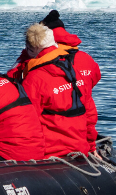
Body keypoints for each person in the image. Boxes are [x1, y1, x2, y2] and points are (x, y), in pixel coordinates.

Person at [8, 12, 102, 157]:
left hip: (50, 152)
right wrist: (90, 145)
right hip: (79, 146)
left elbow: (26, 120)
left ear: (31, 48)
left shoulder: (34, 78)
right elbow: (89, 108)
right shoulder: (76, 68)